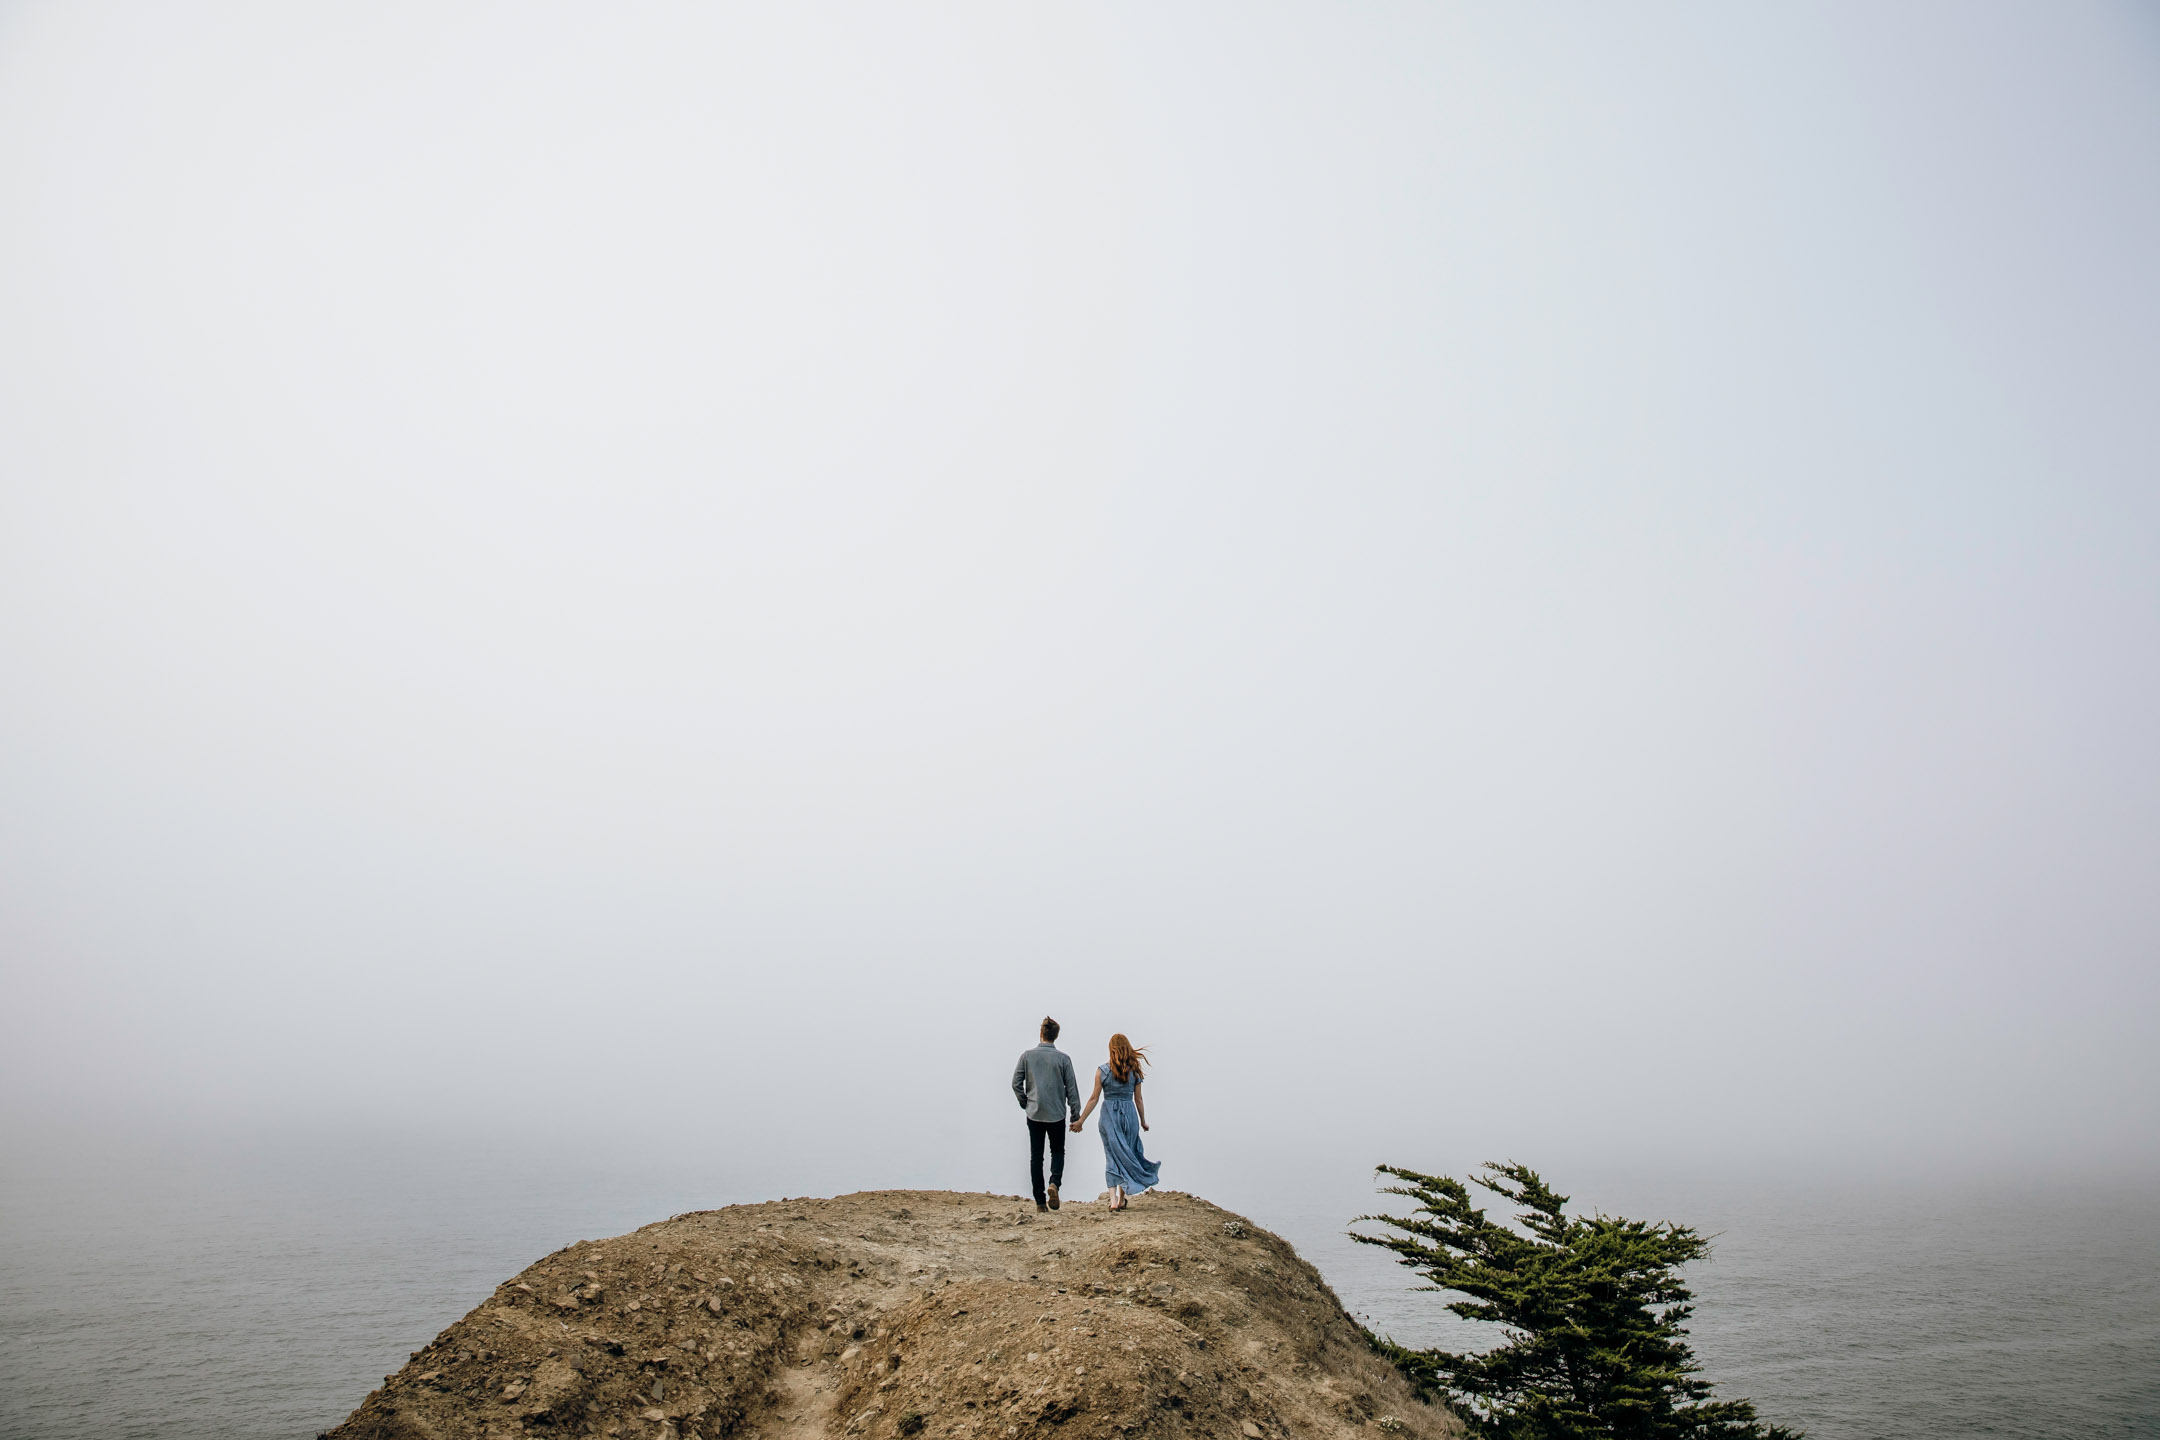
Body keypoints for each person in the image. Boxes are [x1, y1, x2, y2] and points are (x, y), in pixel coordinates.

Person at [1072, 1033, 1160, 1211]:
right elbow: (1139, 1100)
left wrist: (1081, 1120)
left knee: (1112, 1155)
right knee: (1126, 1153)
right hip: (1129, 1115)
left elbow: (1094, 1099)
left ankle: (1113, 1201)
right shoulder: (1134, 1071)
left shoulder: (1102, 1071)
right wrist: (1143, 1121)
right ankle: (1121, 1199)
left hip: (1109, 1117)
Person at [1011, 1016, 1082, 1212]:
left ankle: (1040, 1202)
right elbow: (1072, 1090)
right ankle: (1054, 1183)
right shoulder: (1063, 1059)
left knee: (1036, 1156)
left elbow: (1016, 1084)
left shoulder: (1027, 1056)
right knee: (1058, 1151)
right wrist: (1076, 1115)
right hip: (1057, 1113)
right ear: (1056, 1036)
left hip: (1034, 1112)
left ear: (1041, 1033)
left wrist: (1025, 1102)